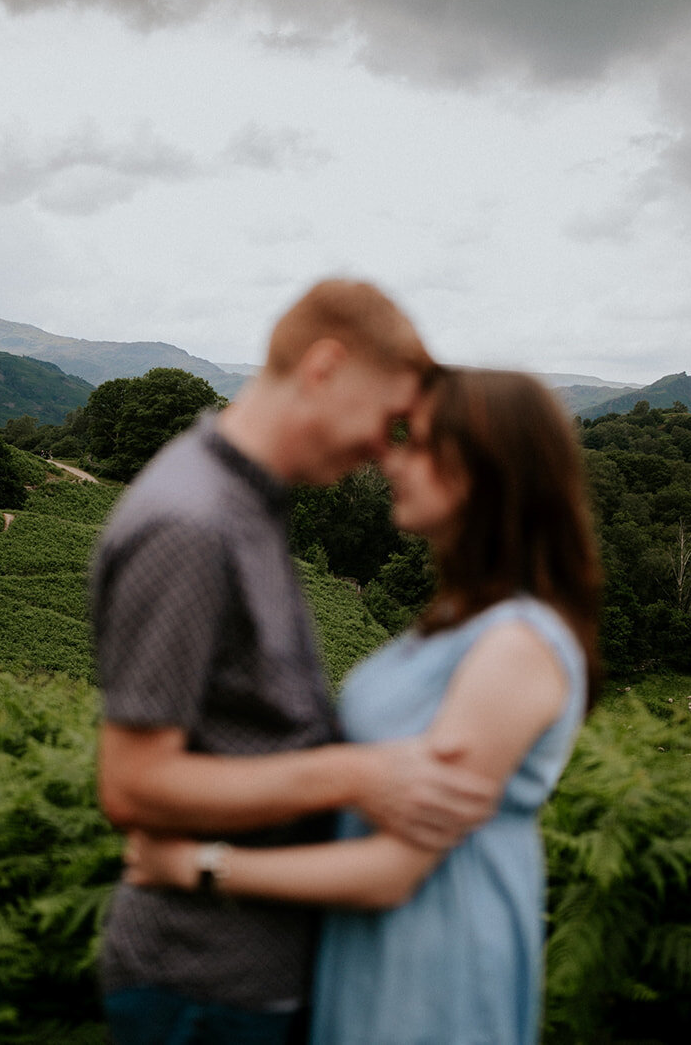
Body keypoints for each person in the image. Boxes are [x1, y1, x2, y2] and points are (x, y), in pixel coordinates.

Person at [124, 366, 601, 1045]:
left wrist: (199, 865)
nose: (392, 456)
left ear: (485, 470)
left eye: (421, 442)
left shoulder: (517, 644)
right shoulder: (455, 617)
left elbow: (396, 869)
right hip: (370, 949)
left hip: (433, 960)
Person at [88, 281, 500, 1045]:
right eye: (388, 420)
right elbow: (132, 782)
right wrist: (357, 775)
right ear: (325, 368)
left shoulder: (250, 503)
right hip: (205, 987)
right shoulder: (190, 522)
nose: (385, 451)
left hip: (253, 979)